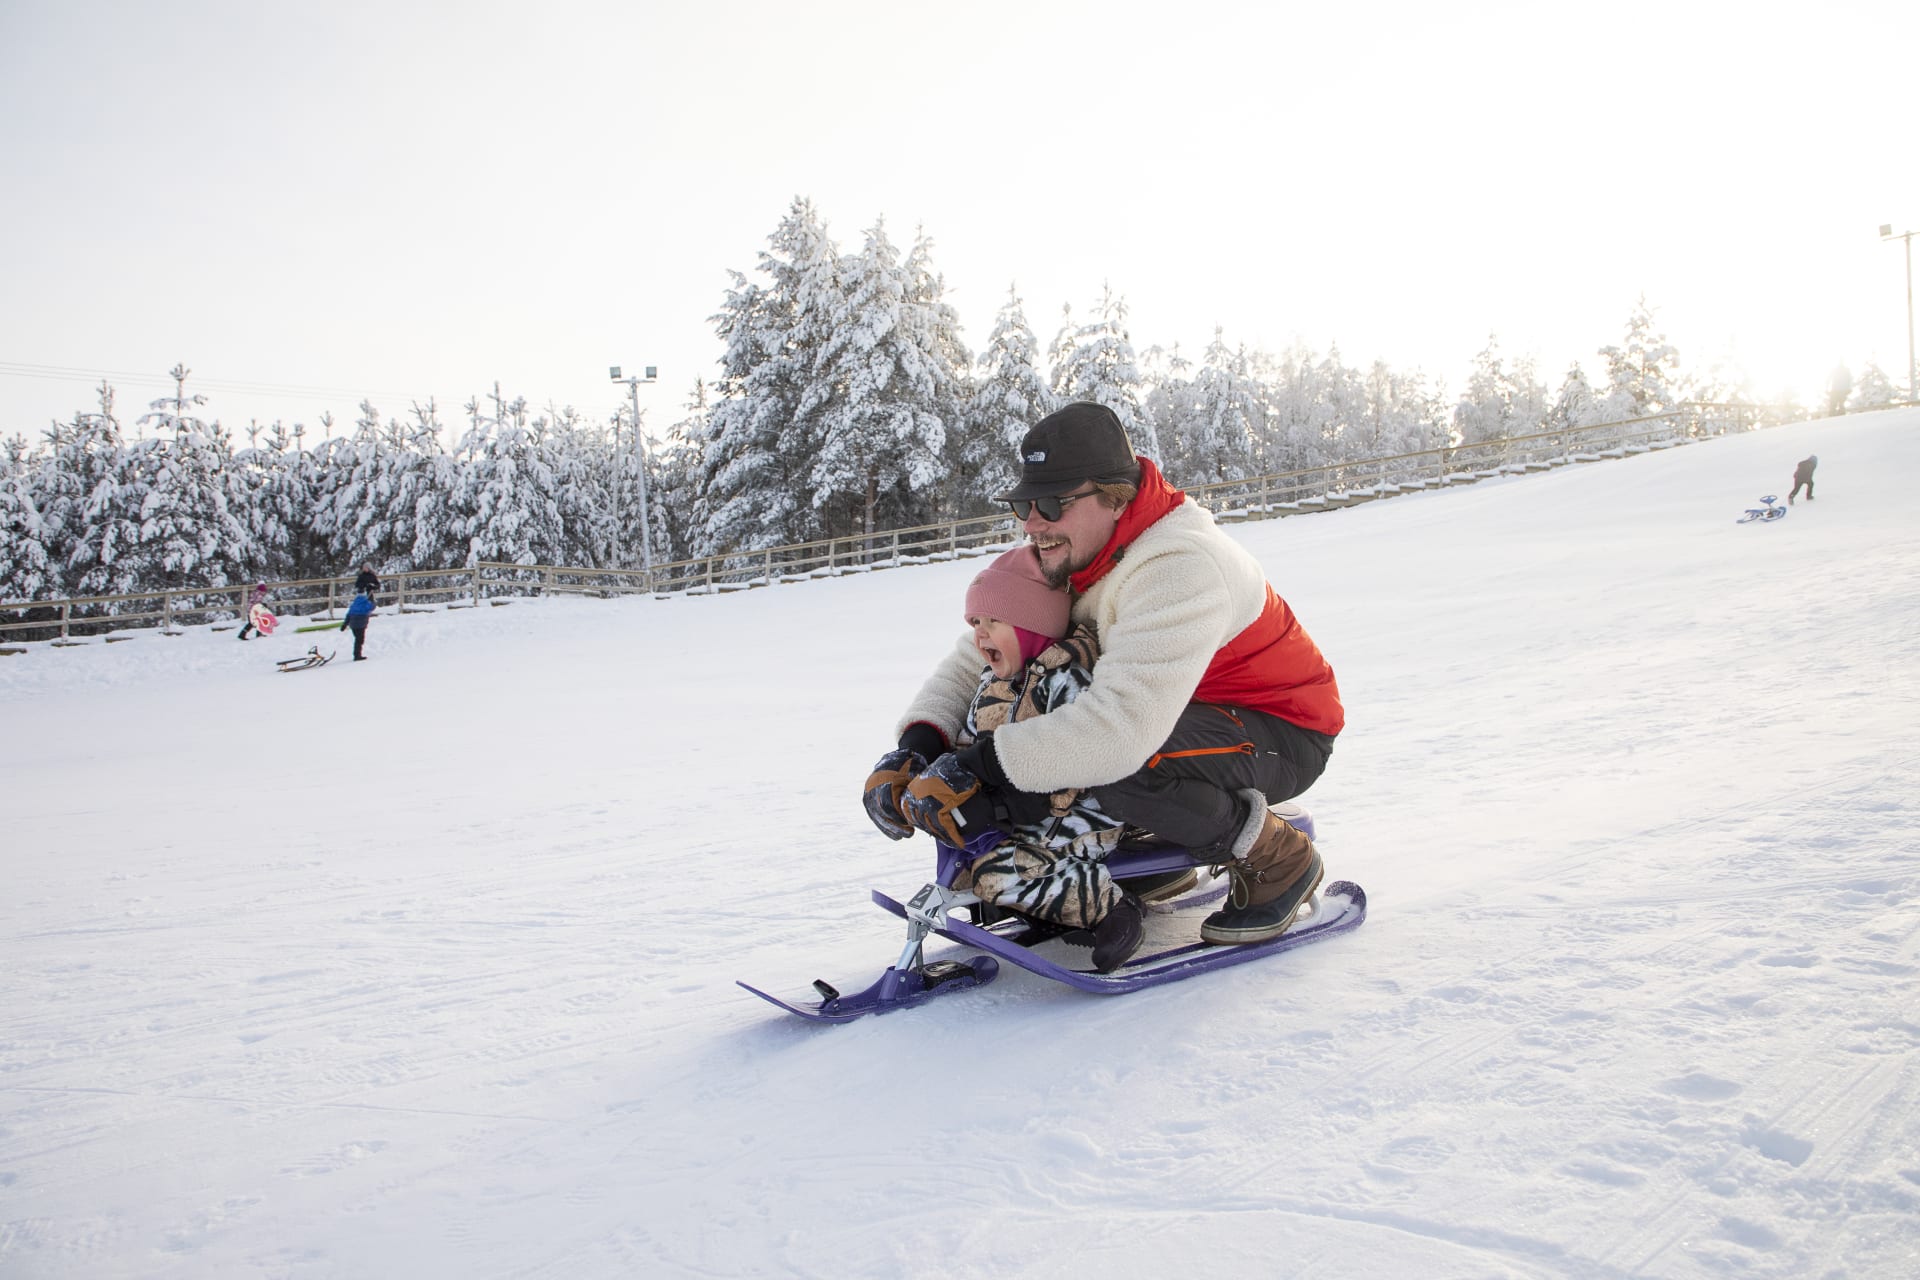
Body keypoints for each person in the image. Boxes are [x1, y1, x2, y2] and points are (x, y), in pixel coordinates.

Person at [866, 401, 1344, 947]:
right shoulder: (1068, 550)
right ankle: (1155, 858)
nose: (1031, 522)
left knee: (1110, 765)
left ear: (1115, 498)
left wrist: (981, 776)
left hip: (1279, 729)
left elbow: (1119, 732)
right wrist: (921, 746)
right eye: (1023, 503)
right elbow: (985, 649)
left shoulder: (1180, 565)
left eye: (1050, 502)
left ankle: (1276, 858)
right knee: (1041, 708)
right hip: (1180, 711)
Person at [870, 546, 1143, 970]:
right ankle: (1036, 905)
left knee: (995, 872)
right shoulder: (996, 680)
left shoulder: (1069, 679)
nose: (979, 635)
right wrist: (920, 775)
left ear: (1033, 626)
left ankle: (1110, 909)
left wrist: (999, 806)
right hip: (1027, 812)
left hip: (1081, 817)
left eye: (993, 622)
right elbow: (973, 742)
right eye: (975, 623)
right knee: (960, 846)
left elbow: (1077, 765)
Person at [340, 589, 374, 661]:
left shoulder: (354, 605)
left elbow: (348, 615)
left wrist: (344, 624)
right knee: (360, 640)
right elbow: (372, 607)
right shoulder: (365, 603)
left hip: (353, 625)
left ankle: (357, 654)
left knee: (357, 639)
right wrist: (371, 599)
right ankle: (357, 655)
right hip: (361, 625)